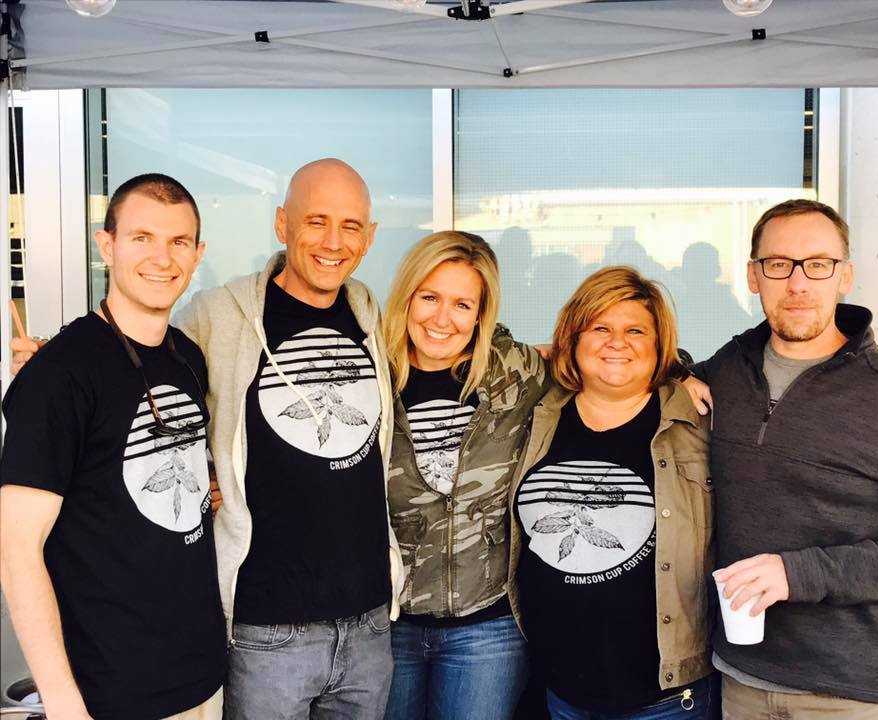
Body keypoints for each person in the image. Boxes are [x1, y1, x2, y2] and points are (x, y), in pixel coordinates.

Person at [694, 199, 878, 719]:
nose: (797, 283)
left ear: (845, 276)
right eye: (778, 264)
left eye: (817, 264)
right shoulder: (726, 370)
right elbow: (638, 367)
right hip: (739, 678)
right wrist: (675, 373)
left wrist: (799, 574)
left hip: (851, 691)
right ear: (753, 277)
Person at [171, 159, 402, 719]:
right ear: (282, 223)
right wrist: (64, 357)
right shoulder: (219, 315)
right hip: (267, 630)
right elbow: (145, 381)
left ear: (370, 236)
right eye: (316, 221)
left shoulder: (369, 312)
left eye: (350, 226)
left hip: (368, 624)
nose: (333, 242)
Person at [0, 174, 226, 720]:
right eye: (142, 237)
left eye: (178, 241)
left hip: (201, 677)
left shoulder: (187, 357)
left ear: (197, 254)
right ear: (107, 245)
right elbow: (16, 550)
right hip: (107, 692)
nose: (162, 258)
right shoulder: (59, 375)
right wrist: (62, 700)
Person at [508, 266, 719, 720]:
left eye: (635, 331)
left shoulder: (698, 421)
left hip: (666, 697)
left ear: (659, 345)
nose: (617, 342)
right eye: (600, 328)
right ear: (573, 339)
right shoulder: (536, 412)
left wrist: (681, 371)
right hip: (560, 688)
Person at [382, 231, 548, 720]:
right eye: (429, 297)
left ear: (481, 314)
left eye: (462, 304)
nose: (442, 319)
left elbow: (609, 361)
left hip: (487, 627)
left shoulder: (515, 372)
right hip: (388, 624)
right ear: (406, 295)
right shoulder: (371, 376)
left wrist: (681, 374)